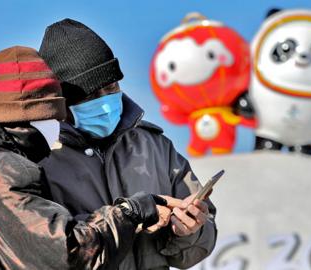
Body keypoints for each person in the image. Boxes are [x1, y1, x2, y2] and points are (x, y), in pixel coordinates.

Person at [0, 46, 167, 269]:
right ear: (34, 118)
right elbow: (70, 255)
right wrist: (133, 210)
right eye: (56, 118)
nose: (59, 127)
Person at [39, 19, 217, 269]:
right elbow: (42, 247)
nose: (104, 102)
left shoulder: (156, 146)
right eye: (90, 95)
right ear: (62, 101)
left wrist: (189, 231)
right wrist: (127, 216)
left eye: (111, 87)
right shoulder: (40, 158)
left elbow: (202, 241)